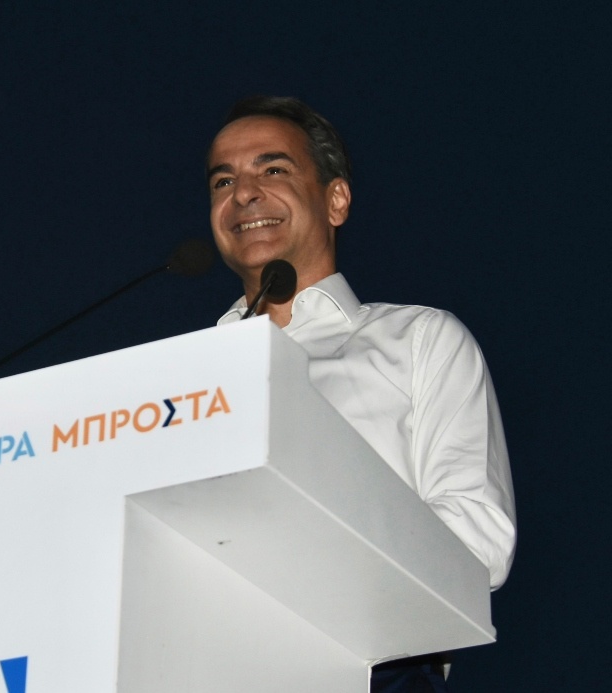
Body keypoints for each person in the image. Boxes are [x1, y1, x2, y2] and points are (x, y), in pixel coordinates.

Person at [207, 96, 516, 691]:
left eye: (273, 169)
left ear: (336, 200)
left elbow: (478, 540)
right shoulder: (184, 377)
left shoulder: (419, 341)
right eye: (223, 180)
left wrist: (309, 558)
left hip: (370, 666)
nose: (243, 193)